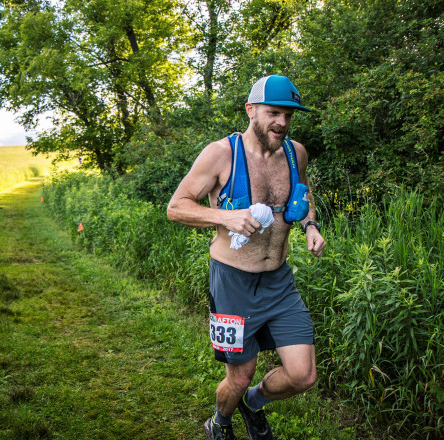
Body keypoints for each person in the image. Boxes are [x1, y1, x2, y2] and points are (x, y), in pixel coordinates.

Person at [166, 74, 326, 440]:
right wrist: (225, 216)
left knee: (304, 375)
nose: (282, 123)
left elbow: (304, 194)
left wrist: (310, 226)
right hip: (232, 284)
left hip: (279, 281)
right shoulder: (222, 154)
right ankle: (220, 422)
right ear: (250, 110)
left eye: (288, 115)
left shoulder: (295, 152)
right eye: (273, 113)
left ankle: (253, 404)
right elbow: (176, 207)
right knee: (239, 376)